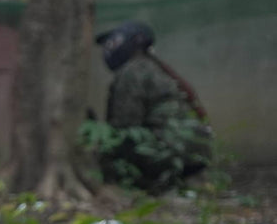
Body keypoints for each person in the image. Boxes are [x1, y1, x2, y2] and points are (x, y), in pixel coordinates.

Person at [92, 21, 214, 194]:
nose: (108, 49)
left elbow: (125, 126)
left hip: (169, 153)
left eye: (111, 43)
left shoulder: (131, 72)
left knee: (114, 146)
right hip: (194, 156)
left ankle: (144, 186)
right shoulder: (153, 68)